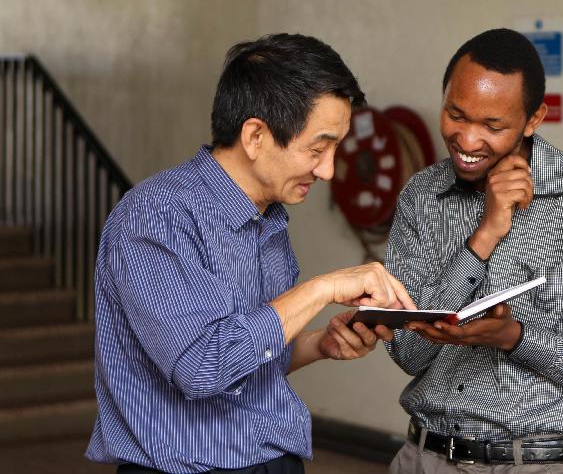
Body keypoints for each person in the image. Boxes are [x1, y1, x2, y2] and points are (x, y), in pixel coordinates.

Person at [85, 33, 414, 474]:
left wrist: (321, 344)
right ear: (255, 135)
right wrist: (324, 288)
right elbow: (202, 368)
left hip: (273, 461)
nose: (329, 170)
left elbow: (247, 361)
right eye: (318, 148)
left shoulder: (269, 218)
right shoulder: (156, 216)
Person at [382, 28, 563, 472]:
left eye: (492, 126)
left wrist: (516, 339)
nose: (467, 141)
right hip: (426, 459)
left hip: (540, 465)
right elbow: (408, 352)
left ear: (533, 119)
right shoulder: (421, 196)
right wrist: (484, 235)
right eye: (456, 114)